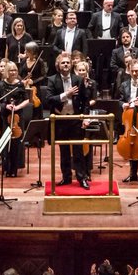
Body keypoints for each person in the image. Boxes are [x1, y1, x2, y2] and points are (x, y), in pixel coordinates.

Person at [49, 52, 91, 189]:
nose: (66, 64)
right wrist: (66, 94)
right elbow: (48, 100)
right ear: (58, 65)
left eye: (67, 62)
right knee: (64, 151)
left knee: (78, 151)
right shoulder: (52, 80)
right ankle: (66, 177)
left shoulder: (78, 80)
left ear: (71, 64)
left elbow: (86, 101)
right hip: (60, 120)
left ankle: (81, 178)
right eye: (63, 62)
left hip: (75, 119)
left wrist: (84, 117)